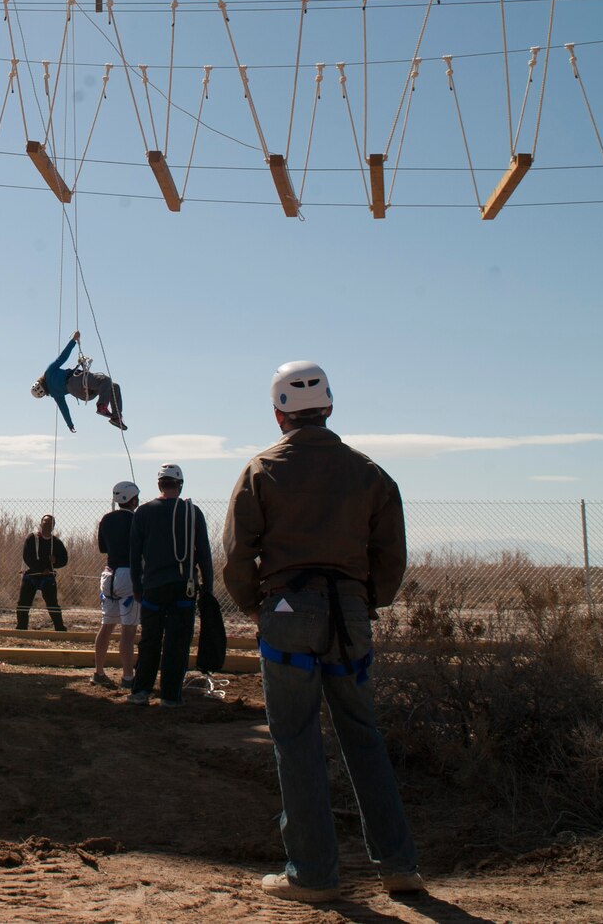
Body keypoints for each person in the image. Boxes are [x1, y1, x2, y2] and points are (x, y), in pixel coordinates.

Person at [222, 361, 421, 903]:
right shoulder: (370, 474)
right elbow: (391, 556)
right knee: (362, 734)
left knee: (296, 739)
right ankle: (399, 864)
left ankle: (312, 873)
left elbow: (238, 554)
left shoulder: (262, 469)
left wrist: (255, 607)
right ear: (328, 406)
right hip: (350, 613)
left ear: (278, 413)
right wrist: (365, 600)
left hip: (287, 611)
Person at [127, 463, 212, 707]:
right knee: (178, 642)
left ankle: (141, 691)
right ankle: (171, 696)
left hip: (153, 587)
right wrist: (207, 587)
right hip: (183, 587)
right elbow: (203, 554)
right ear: (180, 484)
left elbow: (135, 554)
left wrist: (136, 586)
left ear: (159, 484)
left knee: (150, 640)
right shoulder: (192, 512)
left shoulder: (143, 512)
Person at [92, 480, 140, 688]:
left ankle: (98, 671)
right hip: (128, 576)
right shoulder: (138, 520)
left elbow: (103, 548)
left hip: (108, 575)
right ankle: (128, 676)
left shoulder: (106, 519)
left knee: (106, 626)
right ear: (133, 499)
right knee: (128, 631)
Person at [30, 331, 126, 431]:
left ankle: (116, 417)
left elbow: (64, 409)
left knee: (113, 387)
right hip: (76, 381)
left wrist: (70, 425)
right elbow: (63, 357)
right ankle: (102, 406)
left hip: (83, 395)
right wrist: (73, 340)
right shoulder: (49, 373)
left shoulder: (55, 394)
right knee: (105, 380)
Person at [15, 513, 68, 632]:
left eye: (50, 524)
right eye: (45, 523)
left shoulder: (56, 542)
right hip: (31, 576)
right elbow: (27, 557)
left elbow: (64, 560)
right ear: (40, 524)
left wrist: (55, 561)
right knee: (23, 603)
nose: (47, 526)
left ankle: (60, 629)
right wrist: (40, 569)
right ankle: (21, 628)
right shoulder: (32, 539)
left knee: (52, 604)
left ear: (53, 526)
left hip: (47, 577)